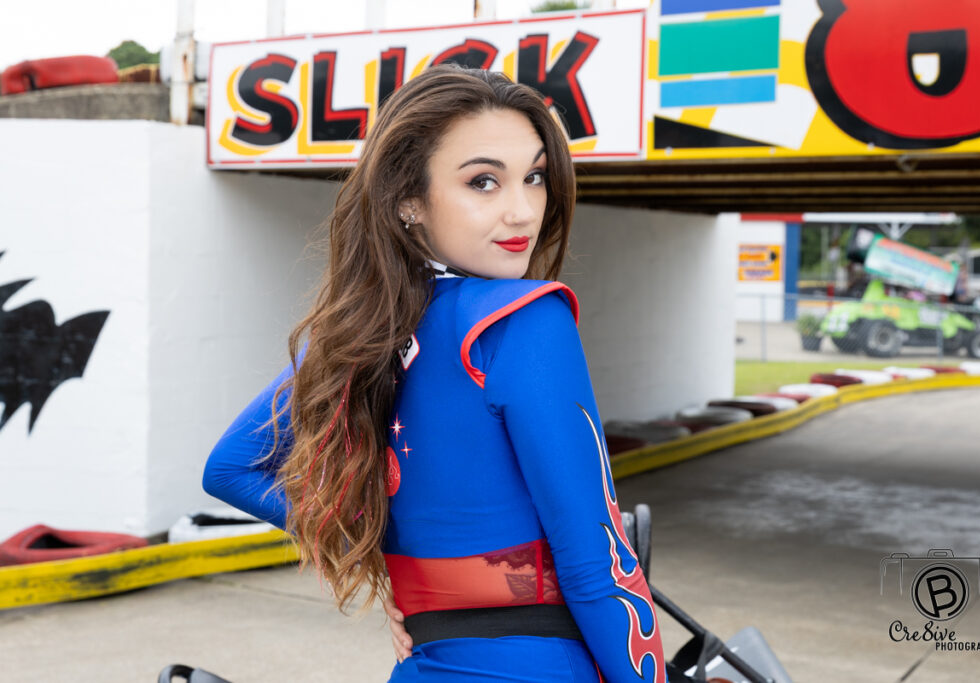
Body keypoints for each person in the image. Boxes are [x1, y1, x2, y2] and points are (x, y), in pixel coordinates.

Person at [202, 65, 666, 681]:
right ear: (408, 201)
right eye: (483, 182)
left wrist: (385, 558)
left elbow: (232, 468)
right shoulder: (527, 319)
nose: (523, 211)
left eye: (533, 177)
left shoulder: (357, 330)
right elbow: (596, 563)